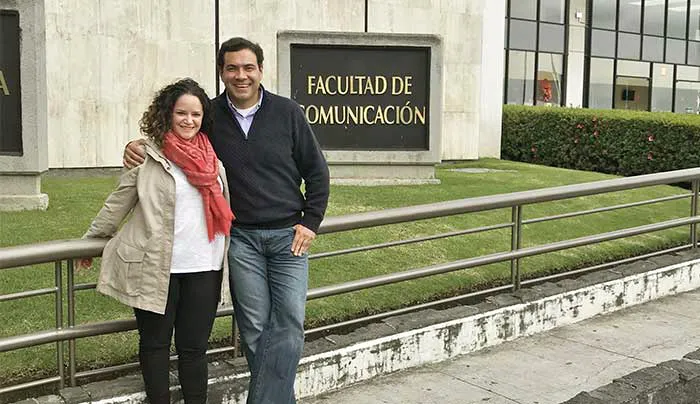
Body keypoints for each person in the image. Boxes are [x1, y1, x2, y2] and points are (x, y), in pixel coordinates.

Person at [123, 37, 331, 404]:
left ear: (261, 71)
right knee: (253, 330)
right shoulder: (210, 115)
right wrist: (136, 146)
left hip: (288, 235)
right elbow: (174, 138)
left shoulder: (288, 112)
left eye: (248, 67)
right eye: (232, 68)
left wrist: (310, 222)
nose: (241, 75)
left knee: (289, 325)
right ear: (222, 72)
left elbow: (317, 172)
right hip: (240, 239)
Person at [82, 78, 234, 404]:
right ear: (168, 114)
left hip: (204, 267)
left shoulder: (213, 161)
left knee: (194, 349)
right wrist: (92, 240)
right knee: (155, 346)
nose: (188, 120)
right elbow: (117, 203)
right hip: (155, 267)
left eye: (195, 114)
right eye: (181, 113)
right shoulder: (148, 158)